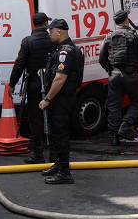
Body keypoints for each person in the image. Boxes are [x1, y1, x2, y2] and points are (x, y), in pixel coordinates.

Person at [38, 19, 83, 185]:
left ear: (59, 32)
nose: (49, 34)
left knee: (61, 135)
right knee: (57, 134)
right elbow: (56, 72)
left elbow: (60, 78)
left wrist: (47, 99)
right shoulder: (64, 49)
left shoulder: (66, 51)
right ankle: (59, 165)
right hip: (62, 99)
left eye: (51, 31)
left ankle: (64, 173)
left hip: (62, 100)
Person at [98, 9, 138, 146]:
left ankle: (115, 137)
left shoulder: (108, 36)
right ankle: (125, 126)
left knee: (114, 106)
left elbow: (102, 58)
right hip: (132, 75)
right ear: (126, 20)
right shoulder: (135, 35)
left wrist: (110, 70)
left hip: (114, 76)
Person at [8, 12, 56, 164]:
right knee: (54, 118)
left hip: (33, 85)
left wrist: (12, 84)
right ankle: (55, 154)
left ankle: (37, 154)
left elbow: (19, 64)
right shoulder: (53, 40)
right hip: (52, 84)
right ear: (45, 24)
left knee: (35, 119)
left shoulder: (27, 41)